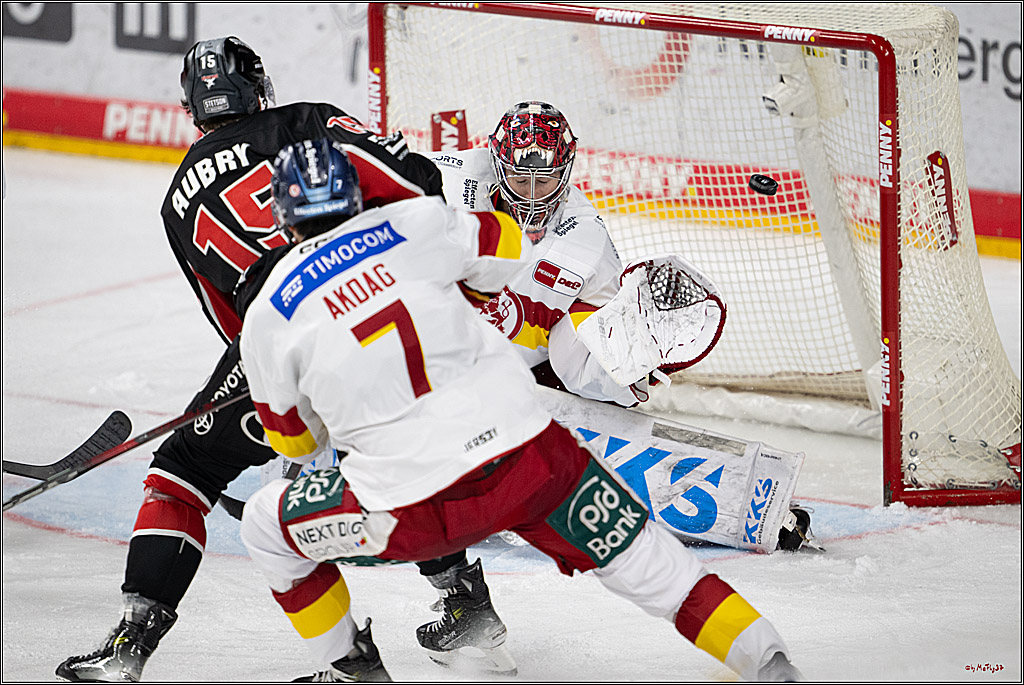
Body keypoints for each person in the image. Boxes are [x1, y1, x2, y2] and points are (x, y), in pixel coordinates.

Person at [236, 138, 804, 683]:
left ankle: (351, 669)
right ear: (356, 194)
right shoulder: (411, 224)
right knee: (650, 564)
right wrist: (467, 300)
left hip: (407, 508)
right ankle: (767, 657)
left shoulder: (268, 314)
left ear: (282, 216)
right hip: (533, 461)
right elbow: (505, 244)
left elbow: (298, 446)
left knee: (265, 526)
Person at [55, 36, 445, 683]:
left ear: (192, 107)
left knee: (184, 467)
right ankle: (466, 598)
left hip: (278, 342)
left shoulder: (178, 197)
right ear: (258, 87)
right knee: (406, 452)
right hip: (384, 318)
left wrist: (273, 367)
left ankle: (133, 644)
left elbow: (231, 324)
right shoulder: (307, 119)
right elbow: (418, 182)